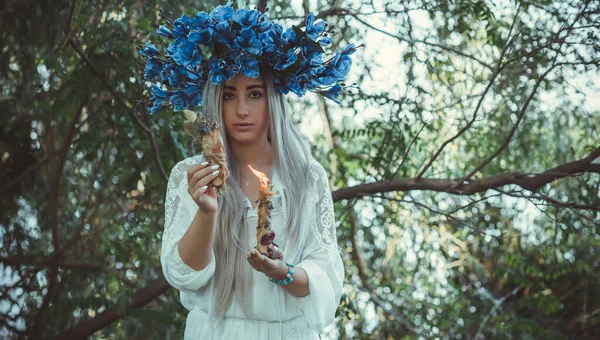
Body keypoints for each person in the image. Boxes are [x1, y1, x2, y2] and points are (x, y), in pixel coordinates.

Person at [160, 71, 345, 339]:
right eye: (229, 95)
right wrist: (206, 212)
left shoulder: (306, 176)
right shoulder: (191, 175)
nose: (242, 110)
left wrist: (283, 272)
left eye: (255, 94)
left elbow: (325, 278)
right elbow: (184, 276)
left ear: (273, 99)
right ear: (215, 100)